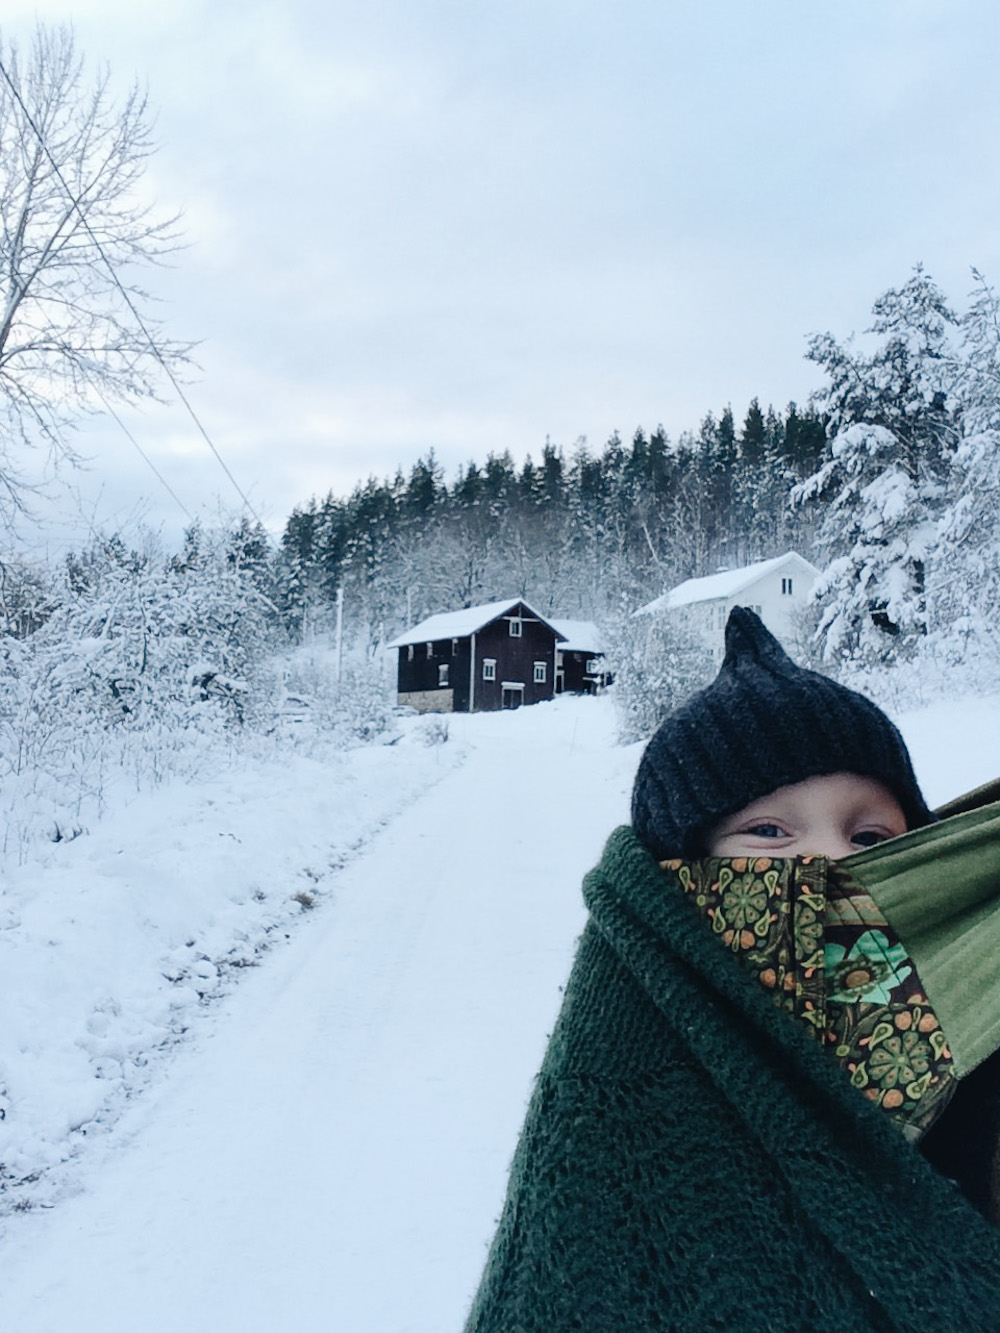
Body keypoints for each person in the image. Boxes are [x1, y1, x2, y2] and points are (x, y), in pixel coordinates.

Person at [465, 607, 1000, 1332]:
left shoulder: (968, 1023)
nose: (831, 863)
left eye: (869, 833)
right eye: (770, 832)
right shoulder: (616, 1069)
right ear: (685, 872)